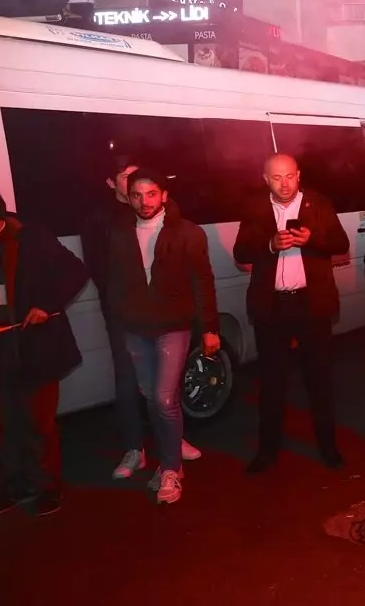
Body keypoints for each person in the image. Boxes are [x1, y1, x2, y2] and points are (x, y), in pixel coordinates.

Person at [84, 157, 202, 481]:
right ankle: (135, 449)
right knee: (130, 382)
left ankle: (172, 443)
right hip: (125, 315)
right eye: (127, 178)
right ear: (113, 183)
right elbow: (99, 268)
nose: (136, 186)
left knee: (163, 388)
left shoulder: (166, 213)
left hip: (163, 317)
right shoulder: (103, 219)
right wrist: (124, 305)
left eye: (141, 180)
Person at [106, 170, 220, 504]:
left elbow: (203, 280)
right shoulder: (119, 232)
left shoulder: (187, 232)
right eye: (137, 195)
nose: (144, 202)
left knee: (165, 400)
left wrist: (210, 327)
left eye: (151, 194)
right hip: (136, 327)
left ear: (164, 195)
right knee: (149, 396)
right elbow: (114, 280)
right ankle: (162, 452)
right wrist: (121, 314)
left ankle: (170, 470)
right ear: (129, 197)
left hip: (173, 326)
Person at [233, 154, 350, 474]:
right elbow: (241, 251)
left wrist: (313, 240)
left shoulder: (318, 203)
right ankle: (267, 452)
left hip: (312, 304)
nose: (284, 184)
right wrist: (270, 244)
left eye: (289, 177)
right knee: (272, 382)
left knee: (319, 380)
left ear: (299, 175)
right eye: (276, 178)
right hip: (273, 307)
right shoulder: (255, 207)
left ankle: (329, 449)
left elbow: (341, 242)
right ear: (265, 179)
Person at [0, 185, 88, 517]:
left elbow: (76, 271)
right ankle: (15, 486)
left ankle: (47, 488)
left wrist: (46, 305)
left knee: (38, 422)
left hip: (33, 345)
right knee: (7, 423)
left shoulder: (29, 238)